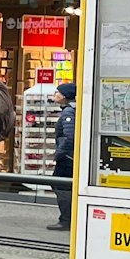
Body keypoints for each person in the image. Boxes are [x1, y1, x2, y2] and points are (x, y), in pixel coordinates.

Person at [50, 81, 76, 231]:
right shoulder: (70, 110)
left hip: (67, 158)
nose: (55, 95)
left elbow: (69, 136)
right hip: (69, 156)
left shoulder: (67, 112)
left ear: (65, 96)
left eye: (57, 92)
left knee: (60, 186)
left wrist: (60, 153)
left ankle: (65, 220)